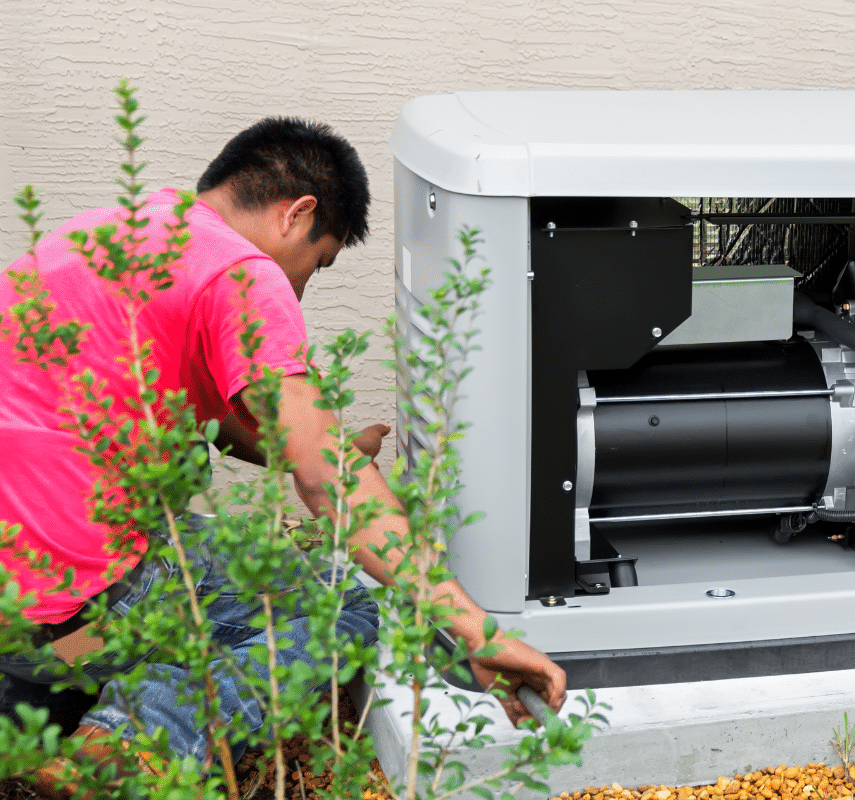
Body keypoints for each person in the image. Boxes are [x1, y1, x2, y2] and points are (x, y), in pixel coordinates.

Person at [0, 118, 568, 777]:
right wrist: (476, 627)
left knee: (173, 474)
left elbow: (231, 419)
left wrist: (316, 444)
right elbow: (329, 482)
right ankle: (124, 749)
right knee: (342, 606)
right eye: (317, 263)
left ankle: (32, 713)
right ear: (296, 215)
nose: (299, 288)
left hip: (19, 602)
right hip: (69, 610)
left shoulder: (114, 232)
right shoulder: (241, 273)